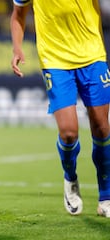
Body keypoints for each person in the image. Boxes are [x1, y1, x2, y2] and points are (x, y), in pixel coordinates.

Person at [10, 0, 110, 217]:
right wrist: (17, 48)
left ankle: (106, 196)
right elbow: (18, 14)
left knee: (102, 129)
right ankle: (70, 177)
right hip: (55, 61)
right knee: (68, 133)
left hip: (93, 56)